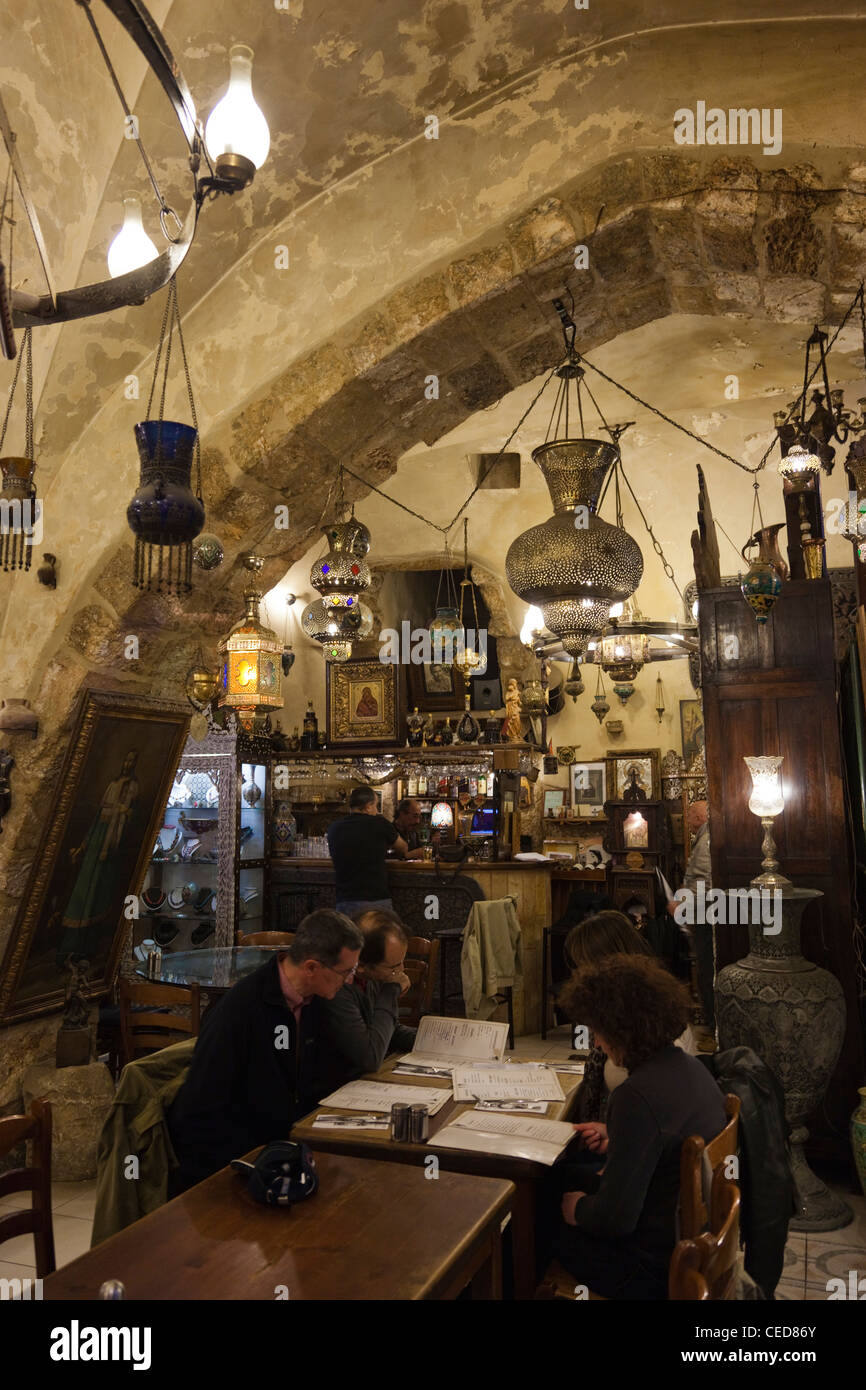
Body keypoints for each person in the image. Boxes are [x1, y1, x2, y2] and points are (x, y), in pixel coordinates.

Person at [552, 954, 726, 1300]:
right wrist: (617, 1136)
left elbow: (614, 1220)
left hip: (648, 1270)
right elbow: (661, 1144)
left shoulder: (635, 1096)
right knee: (564, 1174)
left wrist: (578, 1208)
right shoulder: (692, 1069)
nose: (597, 1043)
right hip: (688, 1246)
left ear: (621, 1029)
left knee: (532, 1217)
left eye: (598, 1031)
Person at [167, 910, 363, 1190]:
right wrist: (257, 1168)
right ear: (311, 968)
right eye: (346, 972)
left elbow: (327, 1077)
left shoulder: (315, 1002)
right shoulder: (240, 1010)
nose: (350, 981)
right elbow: (197, 1114)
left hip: (289, 1156)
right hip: (234, 1171)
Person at [563, 910, 697, 1125]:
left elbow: (655, 1118)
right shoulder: (637, 1007)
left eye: (582, 967)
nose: (578, 977)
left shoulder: (653, 1031)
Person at [317, 908, 418, 1093]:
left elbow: (389, 1032)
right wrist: (391, 990)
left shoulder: (371, 976)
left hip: (363, 1082)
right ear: (361, 965)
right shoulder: (336, 988)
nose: (401, 972)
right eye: (394, 967)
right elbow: (370, 1057)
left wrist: (435, 1039)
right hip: (336, 1092)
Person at [667, 799, 714, 1033]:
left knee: (707, 969)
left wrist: (682, 906)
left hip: (707, 916)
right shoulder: (706, 838)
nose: (688, 822)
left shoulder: (706, 841)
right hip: (707, 914)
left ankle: (712, 1027)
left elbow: (702, 882)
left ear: (700, 818)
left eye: (691, 816)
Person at [327, 785, 408, 915]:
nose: (376, 811)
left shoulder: (334, 828)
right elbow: (403, 848)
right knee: (384, 934)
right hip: (375, 900)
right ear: (368, 806)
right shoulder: (380, 823)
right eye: (376, 806)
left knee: (348, 935)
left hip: (344, 902)